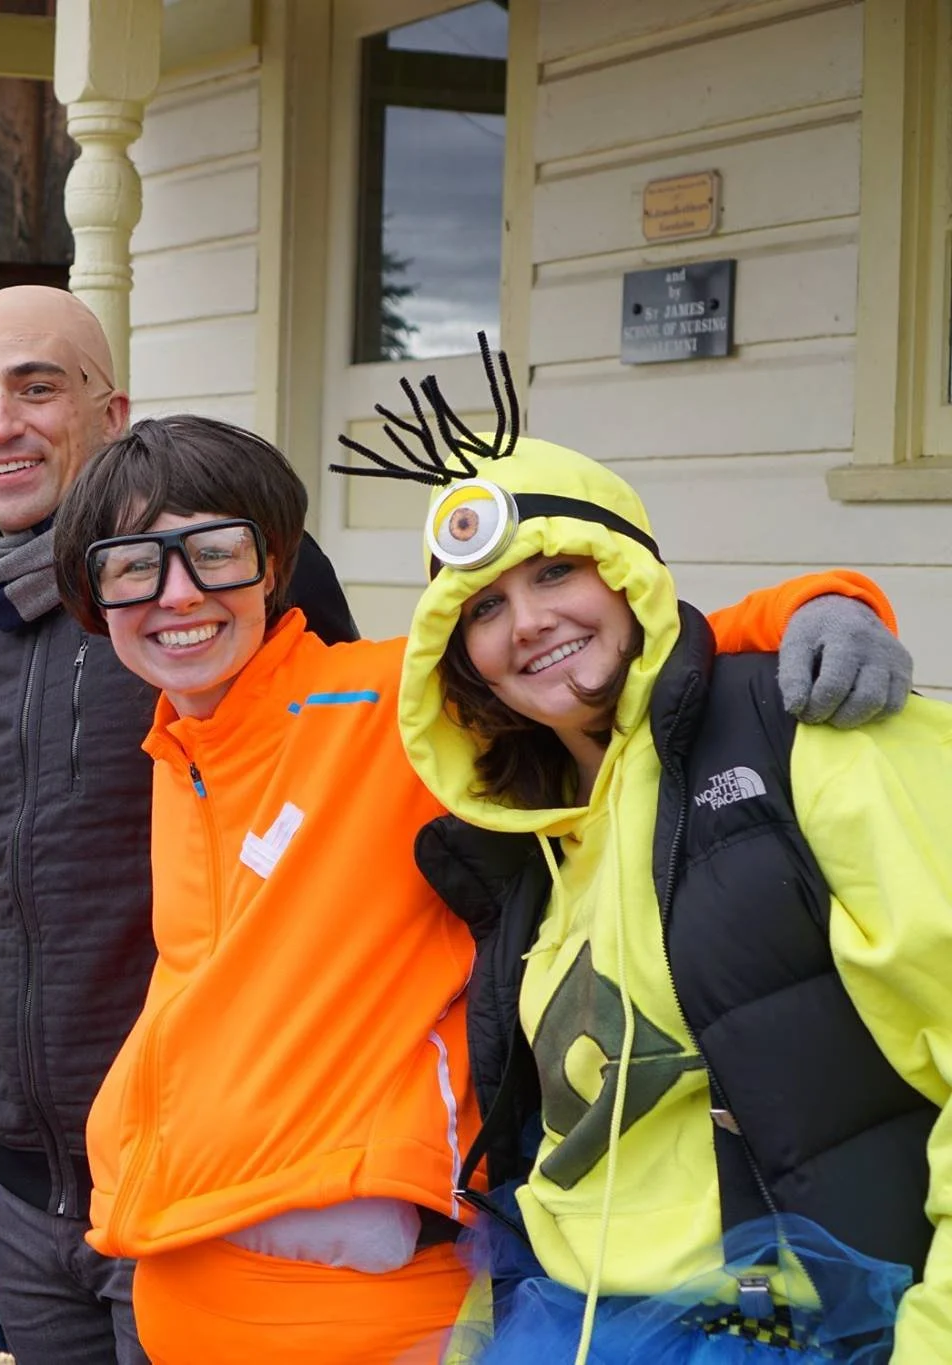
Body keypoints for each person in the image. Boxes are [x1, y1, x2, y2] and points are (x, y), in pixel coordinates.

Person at [49, 401, 912, 1362]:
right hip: (173, 1274)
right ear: (96, 599)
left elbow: (623, 657)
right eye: (133, 565)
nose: (176, 594)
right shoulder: (177, 750)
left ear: (275, 561)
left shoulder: (383, 706)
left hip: (373, 1298)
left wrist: (816, 605)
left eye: (213, 552)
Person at [387, 378, 948, 1361]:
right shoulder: (521, 842)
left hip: (797, 1324)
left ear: (623, 574)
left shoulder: (812, 732)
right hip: (566, 1321)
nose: (524, 622)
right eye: (480, 606)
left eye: (555, 572)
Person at [0, 285, 356, 1364]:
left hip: (203, 1179)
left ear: (109, 414)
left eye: (38, 388)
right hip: (32, 1186)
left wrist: (804, 607)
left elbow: (476, 678)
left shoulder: (228, 575)